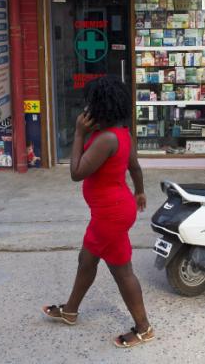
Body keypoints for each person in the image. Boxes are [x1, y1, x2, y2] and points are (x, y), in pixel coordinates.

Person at [41, 75, 154, 348]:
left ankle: (143, 328)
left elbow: (77, 173)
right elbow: (135, 167)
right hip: (113, 210)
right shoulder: (122, 133)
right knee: (86, 260)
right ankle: (70, 310)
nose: (85, 111)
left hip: (110, 215)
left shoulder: (105, 139)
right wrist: (139, 191)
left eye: (89, 105)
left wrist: (78, 133)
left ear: (99, 108)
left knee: (121, 271)